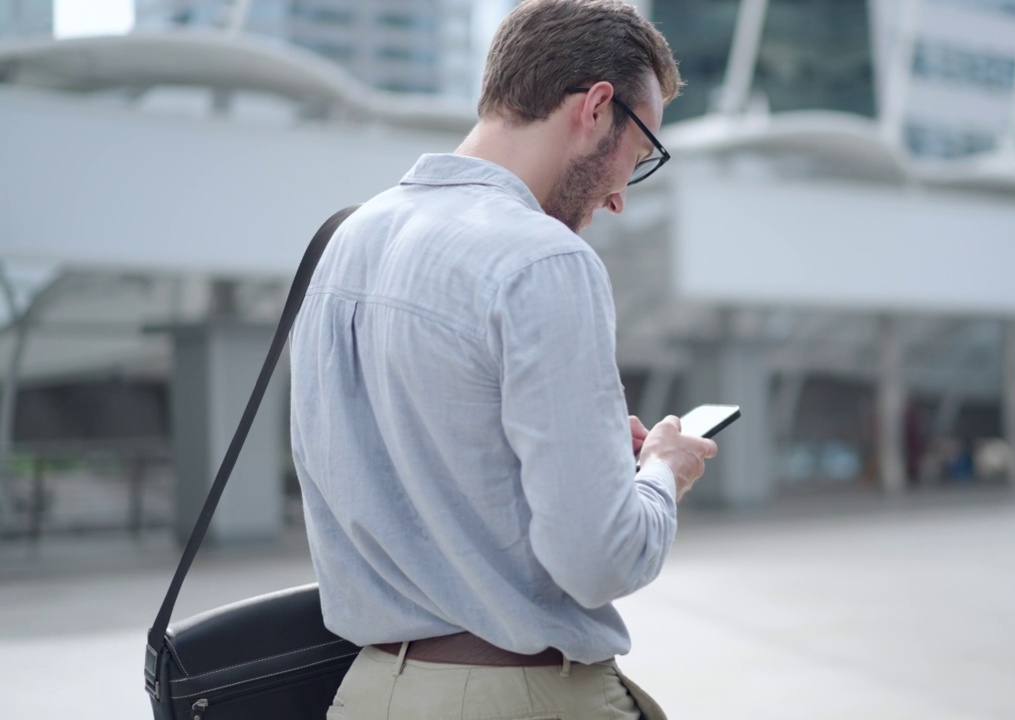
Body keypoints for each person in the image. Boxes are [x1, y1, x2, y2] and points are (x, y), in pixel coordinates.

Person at [288, 1, 718, 718]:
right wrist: (662, 473)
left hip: (364, 694)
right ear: (596, 107)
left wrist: (591, 460)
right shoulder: (543, 259)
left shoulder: (344, 240)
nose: (619, 198)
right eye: (637, 157)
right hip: (516, 693)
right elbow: (600, 557)